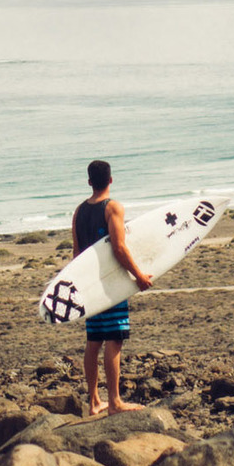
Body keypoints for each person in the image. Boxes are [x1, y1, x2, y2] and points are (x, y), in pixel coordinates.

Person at [72, 158, 152, 416]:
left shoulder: (78, 211)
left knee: (93, 340)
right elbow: (119, 248)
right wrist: (138, 276)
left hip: (89, 284)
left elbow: (77, 254)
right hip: (111, 284)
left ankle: (94, 401)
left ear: (89, 182)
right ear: (110, 180)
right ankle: (115, 402)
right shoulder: (112, 208)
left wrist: (80, 285)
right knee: (114, 339)